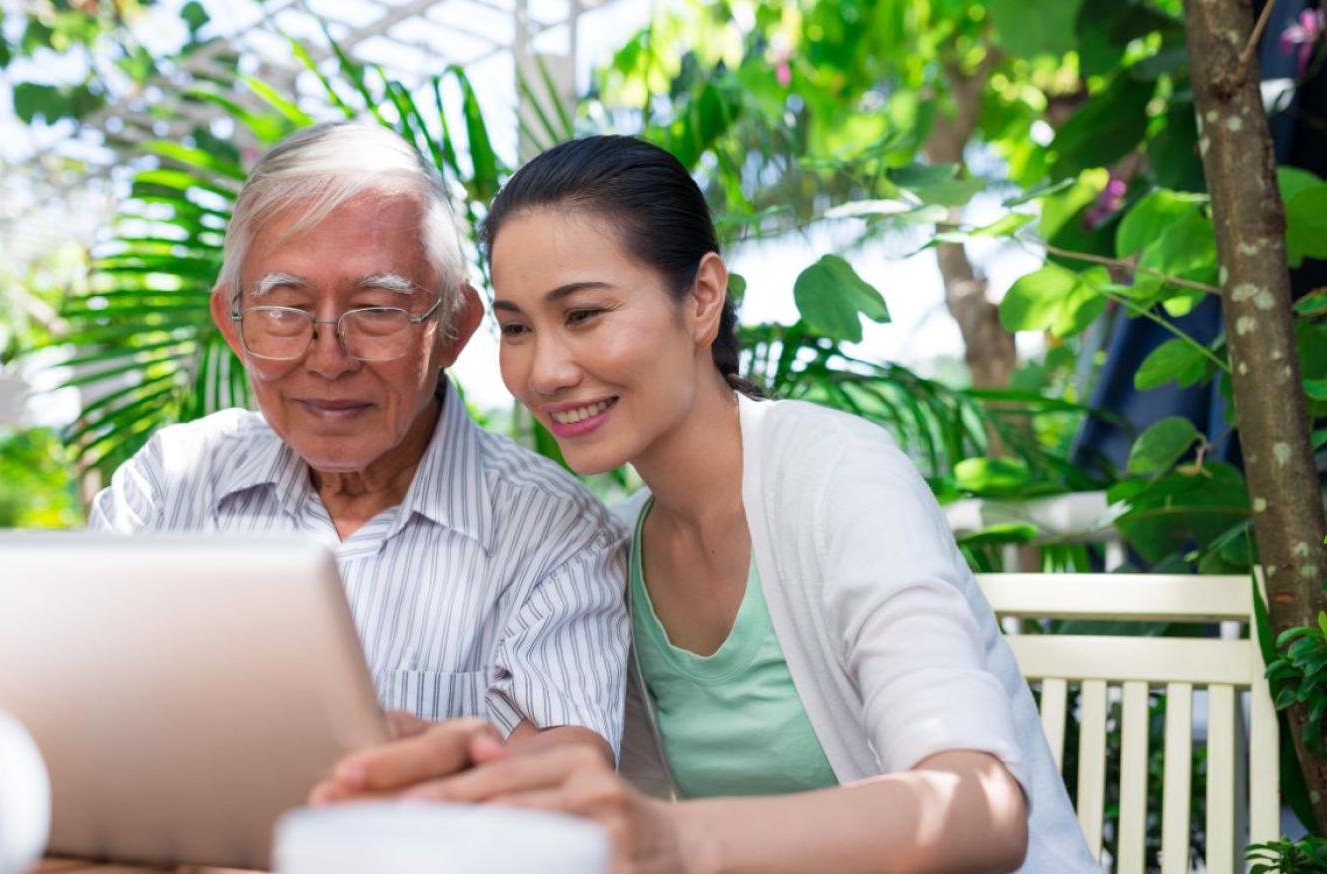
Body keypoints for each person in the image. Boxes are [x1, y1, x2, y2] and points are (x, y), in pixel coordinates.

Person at [313, 136, 1098, 872]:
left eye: (583, 314)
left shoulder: (837, 477)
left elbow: (981, 808)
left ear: (701, 300)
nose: (543, 369)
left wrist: (672, 837)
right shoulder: (611, 547)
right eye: (516, 327)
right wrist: (465, 772)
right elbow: (608, 823)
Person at [89, 122, 629, 763]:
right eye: (284, 310)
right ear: (232, 326)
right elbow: (63, 708)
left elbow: (562, 792)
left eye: (376, 309)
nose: (328, 358)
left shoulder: (551, 535)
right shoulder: (166, 485)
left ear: (455, 328)